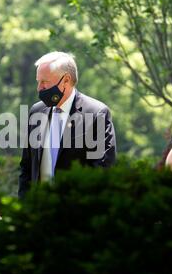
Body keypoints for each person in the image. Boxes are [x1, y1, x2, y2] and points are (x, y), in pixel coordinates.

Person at [18, 51, 116, 198]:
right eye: (38, 81)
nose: (39, 88)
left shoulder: (97, 113)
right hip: (39, 213)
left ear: (66, 80)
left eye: (44, 81)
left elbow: (102, 170)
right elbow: (26, 168)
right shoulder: (36, 111)